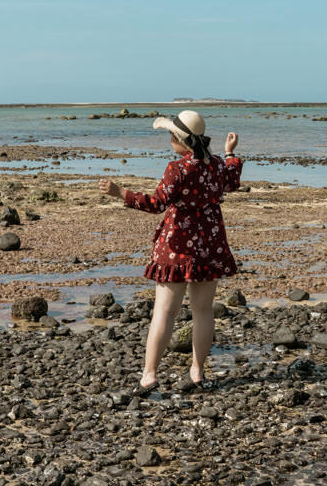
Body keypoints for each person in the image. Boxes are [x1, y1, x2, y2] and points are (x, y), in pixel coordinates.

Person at [99, 110, 241, 394]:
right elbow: (231, 180)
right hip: (210, 245)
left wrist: (120, 193)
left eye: (170, 135)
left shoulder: (178, 168)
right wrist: (230, 154)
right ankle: (197, 372)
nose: (169, 140)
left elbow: (156, 202)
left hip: (176, 246)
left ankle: (149, 376)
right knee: (203, 312)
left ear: (179, 140)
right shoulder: (214, 165)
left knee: (164, 312)